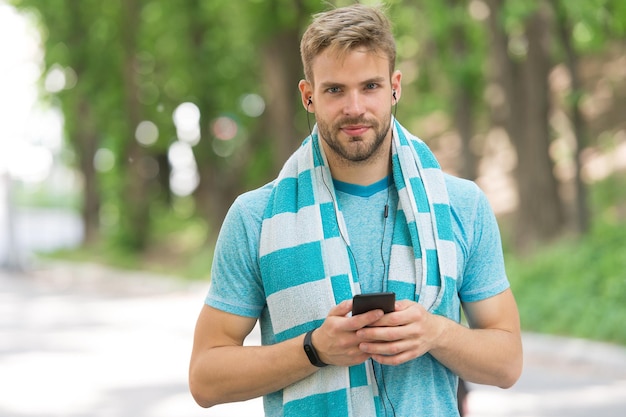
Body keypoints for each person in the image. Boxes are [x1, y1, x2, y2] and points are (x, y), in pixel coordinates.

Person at [189, 4, 522, 417]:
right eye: (334, 90)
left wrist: (436, 333)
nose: (354, 108)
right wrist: (314, 349)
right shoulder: (255, 217)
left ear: (395, 86)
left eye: (370, 86)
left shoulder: (462, 205)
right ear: (308, 96)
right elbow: (205, 377)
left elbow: (508, 362)